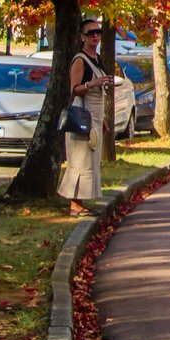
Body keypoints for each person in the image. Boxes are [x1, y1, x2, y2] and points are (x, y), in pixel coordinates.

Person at [60, 17, 112, 215]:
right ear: (82, 36)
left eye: (98, 32)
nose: (95, 36)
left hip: (95, 116)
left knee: (89, 159)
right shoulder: (80, 60)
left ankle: (80, 201)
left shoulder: (97, 60)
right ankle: (74, 205)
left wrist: (103, 119)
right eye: (91, 33)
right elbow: (74, 89)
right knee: (79, 159)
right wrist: (92, 84)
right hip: (82, 118)